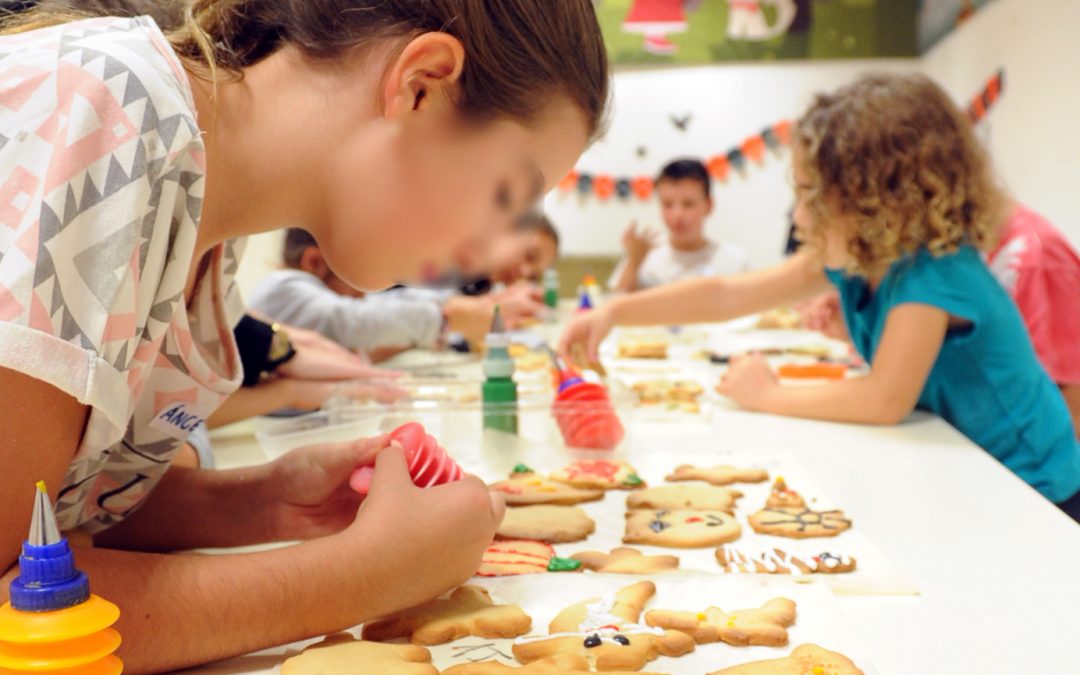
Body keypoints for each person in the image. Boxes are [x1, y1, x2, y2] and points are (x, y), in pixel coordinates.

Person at [0, 1, 609, 670]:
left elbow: (56, 511)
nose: (489, 248)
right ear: (421, 86)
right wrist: (363, 573)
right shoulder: (101, 114)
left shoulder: (206, 220)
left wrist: (265, 502)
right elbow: (16, 618)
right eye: (504, 196)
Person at [561, 73, 1080, 521]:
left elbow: (884, 400)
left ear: (883, 201)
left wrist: (766, 394)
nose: (800, 218)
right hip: (971, 470)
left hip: (1035, 489)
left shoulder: (934, 272)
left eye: (812, 198)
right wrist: (615, 312)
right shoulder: (864, 254)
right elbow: (727, 294)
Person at [801, 201, 1080, 436]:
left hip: (1023, 478)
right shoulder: (926, 247)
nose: (799, 216)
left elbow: (1072, 406)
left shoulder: (1028, 255)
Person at [248, 218, 555, 355]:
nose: (366, 290)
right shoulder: (283, 286)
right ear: (315, 263)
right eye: (358, 274)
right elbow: (350, 320)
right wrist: (447, 316)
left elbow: (370, 313)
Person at [609, 158, 748, 293]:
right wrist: (634, 262)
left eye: (688, 204)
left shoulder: (734, 261)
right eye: (667, 204)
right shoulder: (643, 255)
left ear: (708, 205)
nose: (677, 215)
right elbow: (615, 306)